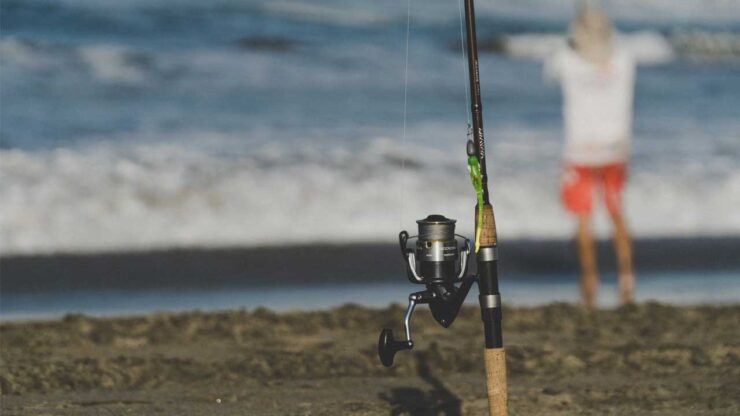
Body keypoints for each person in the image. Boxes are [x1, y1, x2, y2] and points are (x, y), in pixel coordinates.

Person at [544, 5, 636, 307]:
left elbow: (549, 72)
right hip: (615, 147)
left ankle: (590, 277)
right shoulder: (623, 57)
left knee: (583, 219)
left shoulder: (567, 58)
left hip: (580, 151)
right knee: (616, 211)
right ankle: (626, 275)